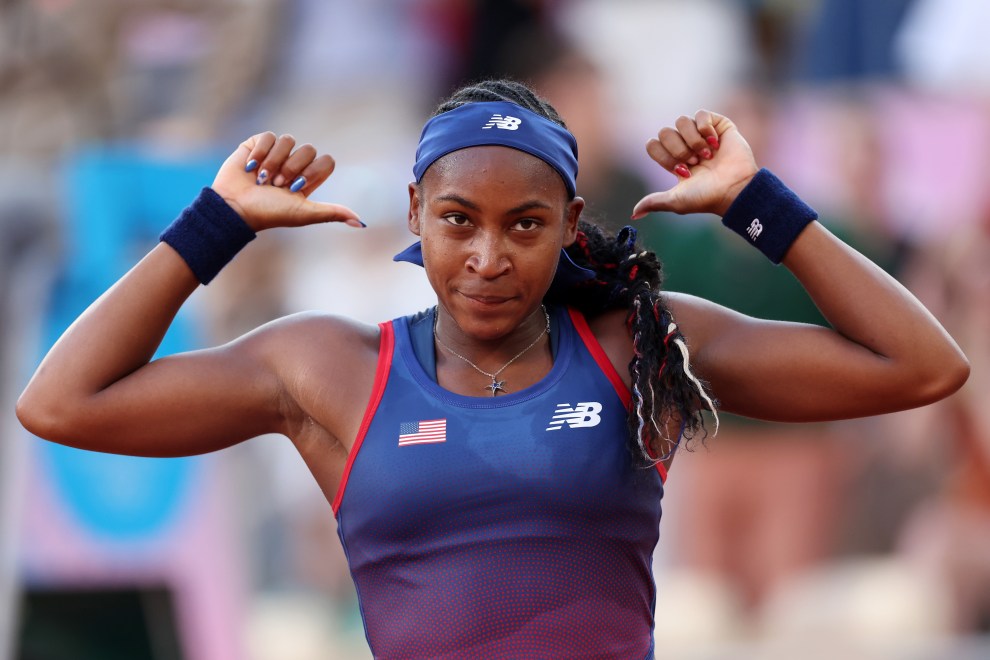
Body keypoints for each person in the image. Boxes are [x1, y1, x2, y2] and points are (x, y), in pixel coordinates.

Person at [16, 79, 969, 658]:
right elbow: (61, 403)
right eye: (458, 220)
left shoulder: (637, 341)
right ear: (415, 215)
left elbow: (922, 366)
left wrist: (758, 203)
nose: (487, 257)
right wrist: (215, 224)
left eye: (526, 226)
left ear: (569, 224)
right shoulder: (329, 368)